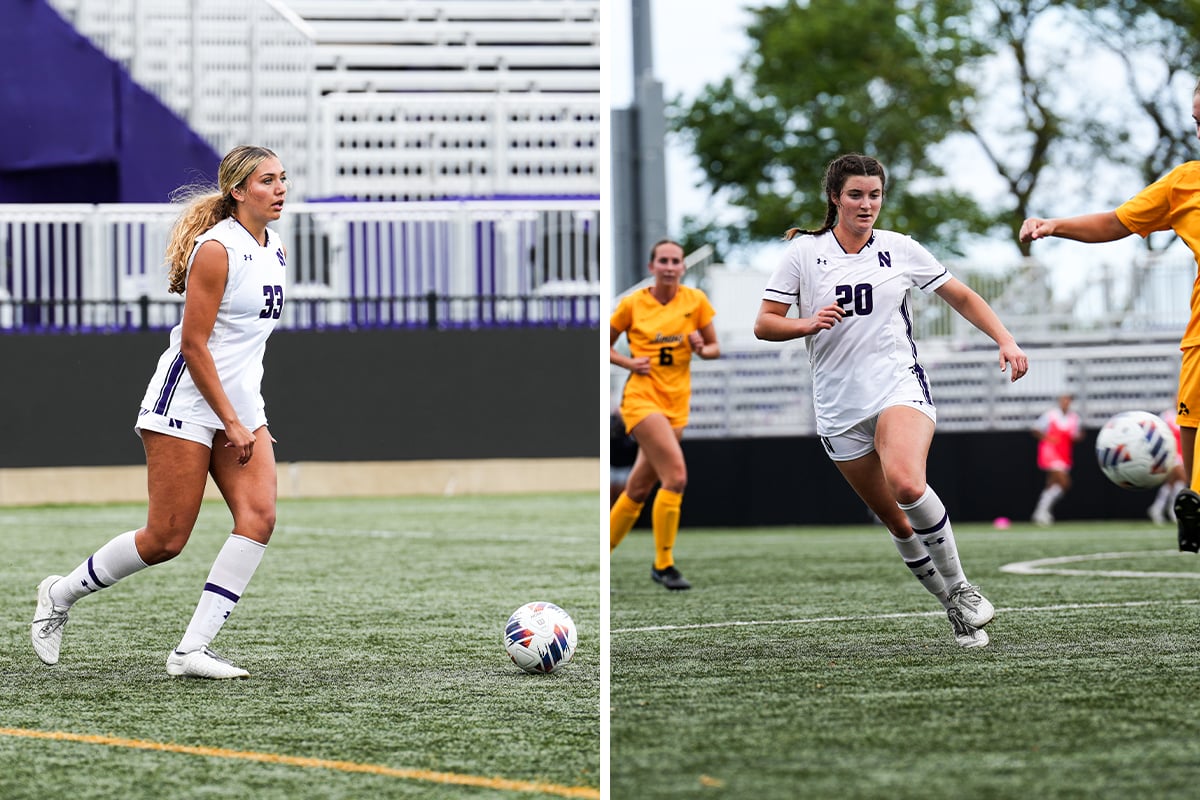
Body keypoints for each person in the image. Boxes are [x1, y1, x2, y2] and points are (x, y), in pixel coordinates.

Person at [31, 145, 289, 679]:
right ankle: (60, 593)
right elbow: (194, 346)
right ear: (238, 191)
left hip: (241, 407)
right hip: (185, 403)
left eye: (282, 178)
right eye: (267, 180)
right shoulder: (216, 250)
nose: (280, 188)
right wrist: (231, 421)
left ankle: (190, 651)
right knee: (165, 539)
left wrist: (246, 415)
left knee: (259, 518)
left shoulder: (276, 246)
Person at [754, 153, 1029, 648]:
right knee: (896, 520)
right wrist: (806, 322)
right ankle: (953, 608)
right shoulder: (803, 254)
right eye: (856, 194)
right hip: (838, 408)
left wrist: (1004, 339)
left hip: (897, 385)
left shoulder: (900, 249)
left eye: (874, 195)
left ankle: (963, 588)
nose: (866, 204)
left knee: (907, 483)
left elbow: (961, 296)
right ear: (835, 197)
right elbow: (765, 323)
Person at [1019, 77, 1200, 552]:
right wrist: (1054, 224)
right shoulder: (1185, 182)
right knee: (1195, 448)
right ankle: (1192, 501)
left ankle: (1192, 500)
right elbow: (1118, 221)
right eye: (1198, 123)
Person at [610, 239, 720, 590]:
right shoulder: (633, 305)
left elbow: (714, 348)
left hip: (677, 405)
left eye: (676, 260)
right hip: (642, 401)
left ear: (683, 267)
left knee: (639, 487)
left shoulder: (696, 301)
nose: (670, 266)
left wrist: (703, 348)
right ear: (651, 267)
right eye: (663, 260)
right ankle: (664, 564)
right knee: (676, 477)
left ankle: (600, 558)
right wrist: (628, 362)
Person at [1031, 393, 1083, 526]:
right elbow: (1036, 429)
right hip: (1050, 452)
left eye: (1068, 400)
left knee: (1052, 485)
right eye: (1063, 400)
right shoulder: (1050, 415)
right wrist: (1048, 439)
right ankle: (1041, 512)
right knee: (1065, 483)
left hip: (1064, 454)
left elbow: (1076, 435)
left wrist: (1078, 437)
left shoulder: (1074, 418)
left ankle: (1041, 512)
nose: (1065, 402)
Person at [1148, 407, 1188, 525]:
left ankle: (1157, 508)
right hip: (1171, 453)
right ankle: (1173, 509)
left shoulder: (1187, 414)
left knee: (1172, 483)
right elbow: (1157, 432)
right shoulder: (1166, 415)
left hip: (1182, 453)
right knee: (1182, 478)